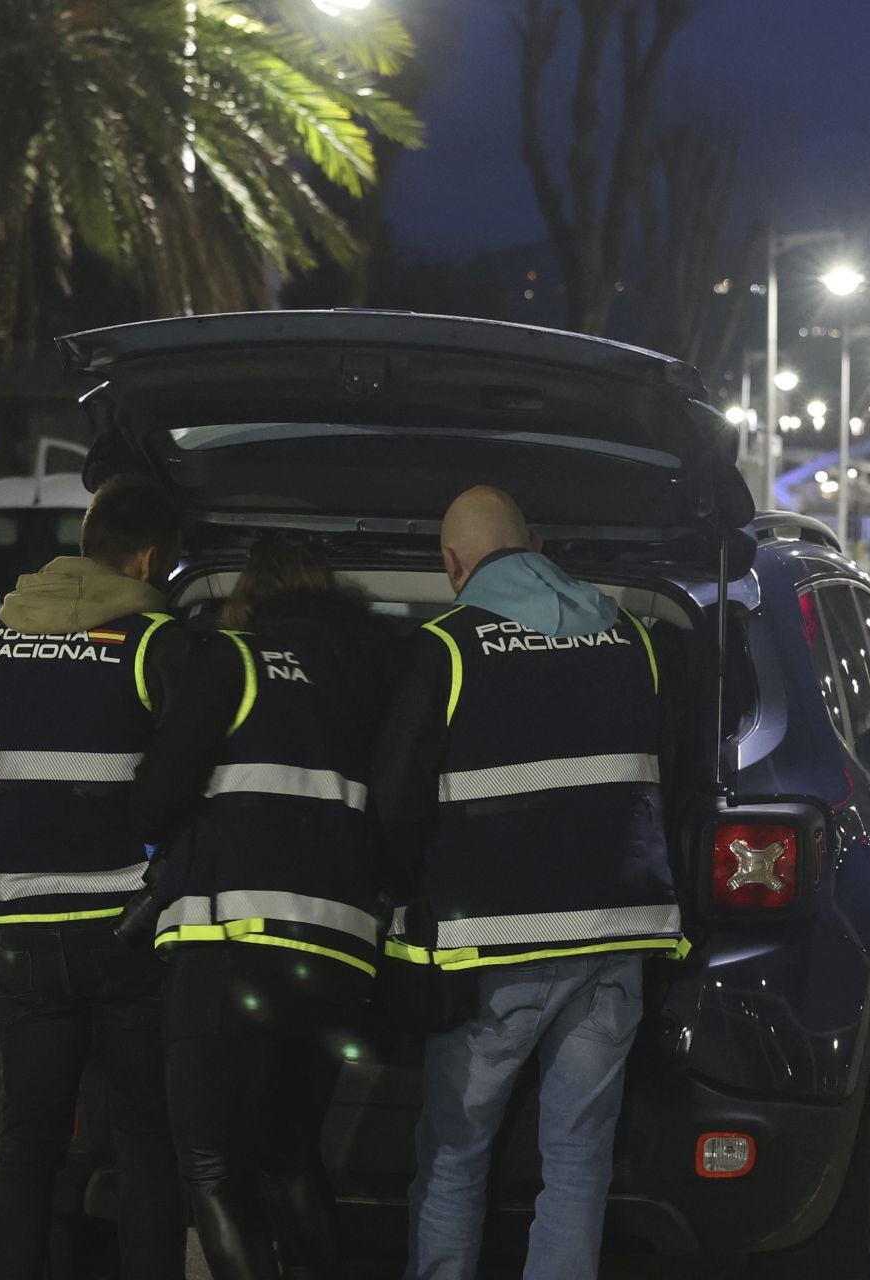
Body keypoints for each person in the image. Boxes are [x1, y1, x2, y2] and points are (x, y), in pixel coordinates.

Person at [374, 486, 683, 1280]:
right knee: (578, 1163)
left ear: (452, 565)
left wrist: (398, 903)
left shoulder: (446, 649)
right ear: (536, 543)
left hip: (491, 955)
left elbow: (397, 806)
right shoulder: (632, 639)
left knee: (454, 1156)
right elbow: (666, 780)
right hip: (616, 940)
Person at [129, 539, 397, 1280]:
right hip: (338, 956)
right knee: (288, 1156)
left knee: (214, 1170)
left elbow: (155, 800)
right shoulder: (370, 677)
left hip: (230, 946)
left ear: (252, 595)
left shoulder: (233, 659)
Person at [0, 474, 189, 1280]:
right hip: (123, 928)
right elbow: (182, 787)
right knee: (145, 1139)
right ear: (149, 557)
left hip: (18, 924)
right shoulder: (155, 644)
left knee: (26, 1145)